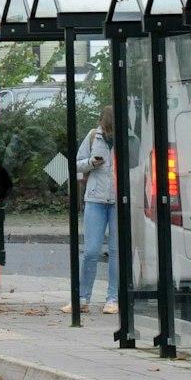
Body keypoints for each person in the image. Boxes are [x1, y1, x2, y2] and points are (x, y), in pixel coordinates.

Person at [75, 104, 119, 314]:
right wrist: (92, 162)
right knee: (91, 251)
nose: (106, 131)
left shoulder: (129, 139)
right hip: (95, 199)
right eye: (105, 127)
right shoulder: (94, 136)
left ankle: (113, 298)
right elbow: (77, 163)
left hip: (119, 200)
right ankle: (83, 297)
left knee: (116, 251)